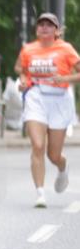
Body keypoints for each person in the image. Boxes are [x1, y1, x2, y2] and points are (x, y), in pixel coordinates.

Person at [14, 12, 80, 209]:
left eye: (49, 25)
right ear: (37, 29)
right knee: (37, 145)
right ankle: (40, 193)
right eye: (41, 24)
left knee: (53, 154)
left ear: (56, 30)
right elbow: (20, 67)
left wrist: (65, 79)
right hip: (36, 97)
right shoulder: (28, 49)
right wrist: (24, 80)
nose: (44, 27)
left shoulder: (66, 49)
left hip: (59, 100)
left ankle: (62, 166)